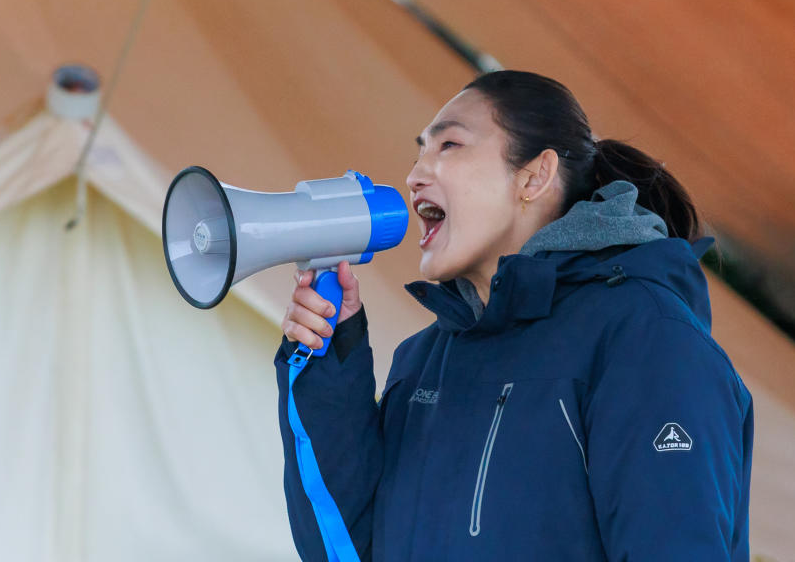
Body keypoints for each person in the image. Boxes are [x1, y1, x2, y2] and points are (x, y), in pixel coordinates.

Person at [275, 70, 753, 561]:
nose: (415, 175)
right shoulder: (421, 361)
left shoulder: (647, 338)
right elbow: (348, 551)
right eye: (419, 152)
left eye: (449, 146)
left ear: (534, 176)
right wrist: (328, 360)